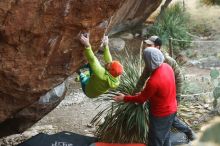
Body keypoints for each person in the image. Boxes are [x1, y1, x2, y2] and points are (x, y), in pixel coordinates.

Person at [135, 35, 196, 141]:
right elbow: (143, 77)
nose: (146, 47)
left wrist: (178, 97)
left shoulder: (167, 61)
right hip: (161, 94)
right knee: (168, 118)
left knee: (170, 118)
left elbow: (179, 78)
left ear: (157, 47)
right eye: (146, 45)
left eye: (150, 45)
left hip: (172, 94)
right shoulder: (152, 58)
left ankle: (187, 131)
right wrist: (135, 91)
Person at [113, 47, 177, 146]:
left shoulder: (153, 81)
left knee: (155, 140)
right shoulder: (167, 67)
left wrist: (124, 98)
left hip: (160, 115)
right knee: (166, 136)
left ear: (148, 62)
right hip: (172, 109)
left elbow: (141, 99)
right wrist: (145, 93)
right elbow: (162, 91)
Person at [78, 33, 123, 98]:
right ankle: (84, 70)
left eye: (110, 64)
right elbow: (109, 61)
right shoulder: (115, 75)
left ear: (109, 70)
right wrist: (106, 45)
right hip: (95, 84)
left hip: (88, 91)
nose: (109, 62)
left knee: (83, 76)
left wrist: (87, 45)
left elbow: (93, 60)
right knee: (92, 68)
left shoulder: (102, 75)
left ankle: (78, 72)